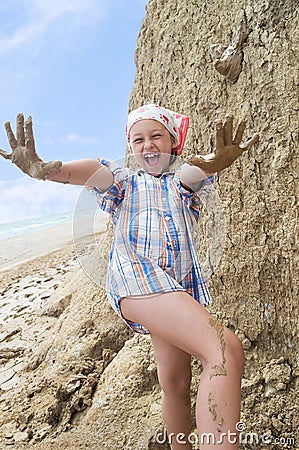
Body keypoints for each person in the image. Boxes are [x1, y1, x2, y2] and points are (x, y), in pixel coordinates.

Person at [0, 105, 258, 449]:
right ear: (131, 148)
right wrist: (46, 170)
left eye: (156, 136)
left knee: (175, 383)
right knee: (225, 350)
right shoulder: (125, 184)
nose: (148, 145)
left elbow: (194, 171)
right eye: (139, 139)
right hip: (137, 283)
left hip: (172, 290)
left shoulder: (180, 185)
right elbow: (95, 171)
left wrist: (212, 160)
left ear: (173, 143)